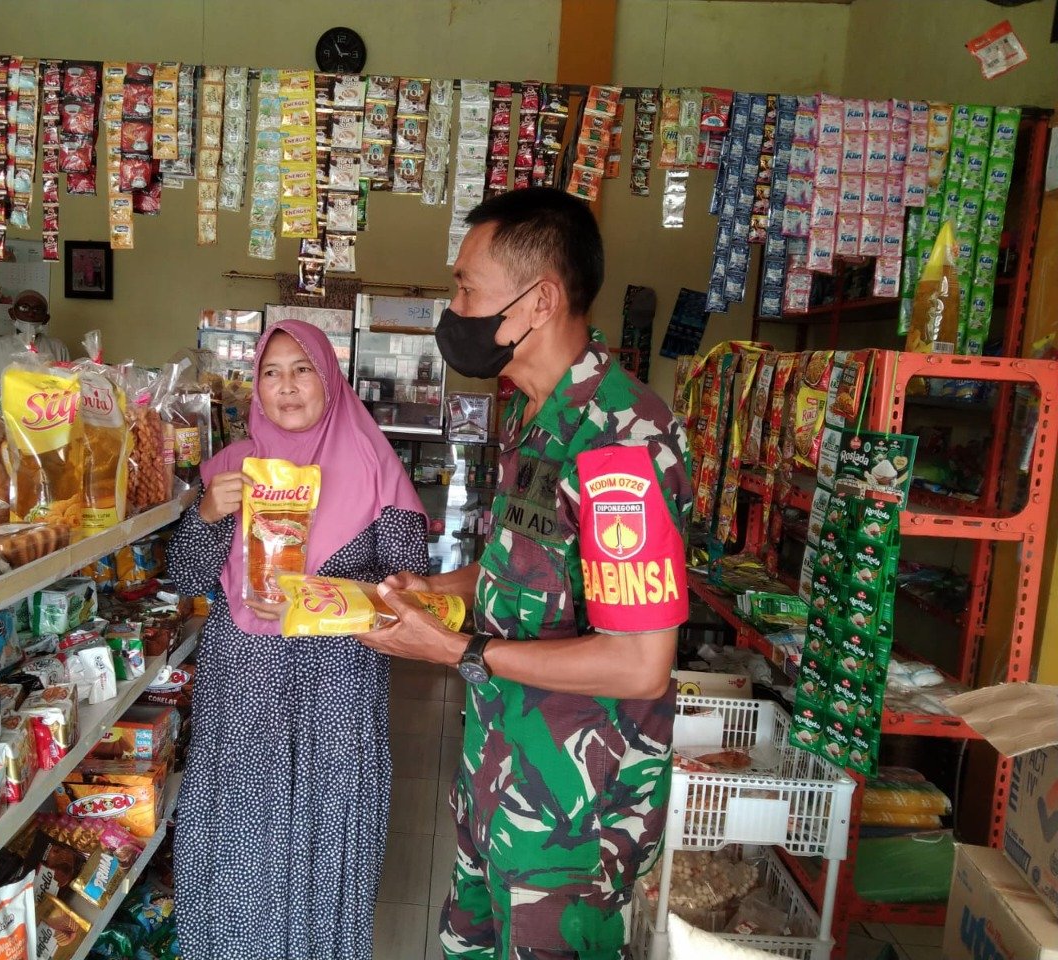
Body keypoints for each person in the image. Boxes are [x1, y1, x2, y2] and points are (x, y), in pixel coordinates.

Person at [359, 187, 693, 959]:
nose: (453, 309)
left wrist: (457, 651)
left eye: (466, 289)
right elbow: (519, 567)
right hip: (498, 784)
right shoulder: (532, 415)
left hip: (573, 825)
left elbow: (640, 663)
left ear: (539, 301)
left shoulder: (621, 440)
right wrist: (434, 592)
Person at [168, 319, 429, 960]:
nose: (286, 387)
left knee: (323, 837)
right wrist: (207, 515)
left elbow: (409, 596)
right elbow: (187, 578)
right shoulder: (230, 468)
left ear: (329, 379)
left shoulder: (375, 466)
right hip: (243, 691)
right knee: (241, 839)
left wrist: (318, 599)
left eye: (302, 369)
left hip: (335, 692)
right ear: (256, 386)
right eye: (271, 372)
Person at [0, 289, 69, 385]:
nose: (30, 314)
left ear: (46, 319)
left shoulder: (58, 348)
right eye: (24, 308)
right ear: (12, 313)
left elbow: (68, 385)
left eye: (37, 310)